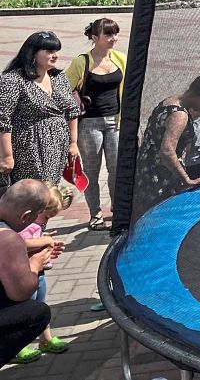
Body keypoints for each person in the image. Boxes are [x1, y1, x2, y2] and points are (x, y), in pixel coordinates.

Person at [132, 66, 200, 216]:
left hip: (146, 169)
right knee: (163, 216)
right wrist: (187, 180)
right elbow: (167, 151)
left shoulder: (169, 101)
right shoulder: (180, 115)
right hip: (162, 177)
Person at [65, 18, 126, 230]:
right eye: (108, 34)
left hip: (115, 122)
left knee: (117, 168)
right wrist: (74, 99)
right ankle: (95, 213)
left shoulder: (120, 59)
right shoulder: (82, 62)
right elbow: (63, 88)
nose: (113, 39)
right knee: (91, 170)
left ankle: (118, 209)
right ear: (94, 38)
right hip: (89, 123)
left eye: (115, 34)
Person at [0, 31, 80, 187]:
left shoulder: (58, 78)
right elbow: (3, 120)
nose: (55, 55)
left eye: (56, 51)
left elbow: (72, 111)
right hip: (28, 148)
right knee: (32, 193)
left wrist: (73, 143)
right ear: (33, 54)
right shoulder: (13, 80)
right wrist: (7, 156)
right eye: (49, 51)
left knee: (50, 192)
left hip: (57, 147)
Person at [14, 185, 70, 364]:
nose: (45, 221)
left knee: (40, 304)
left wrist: (43, 237)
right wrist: (45, 240)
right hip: (25, 271)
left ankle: (45, 339)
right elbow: (21, 242)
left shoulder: (36, 224)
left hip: (39, 271)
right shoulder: (23, 222)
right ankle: (17, 345)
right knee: (23, 308)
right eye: (46, 216)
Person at [0, 181, 54, 366]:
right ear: (26, 216)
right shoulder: (7, 237)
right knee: (36, 313)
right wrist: (35, 264)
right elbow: (21, 292)